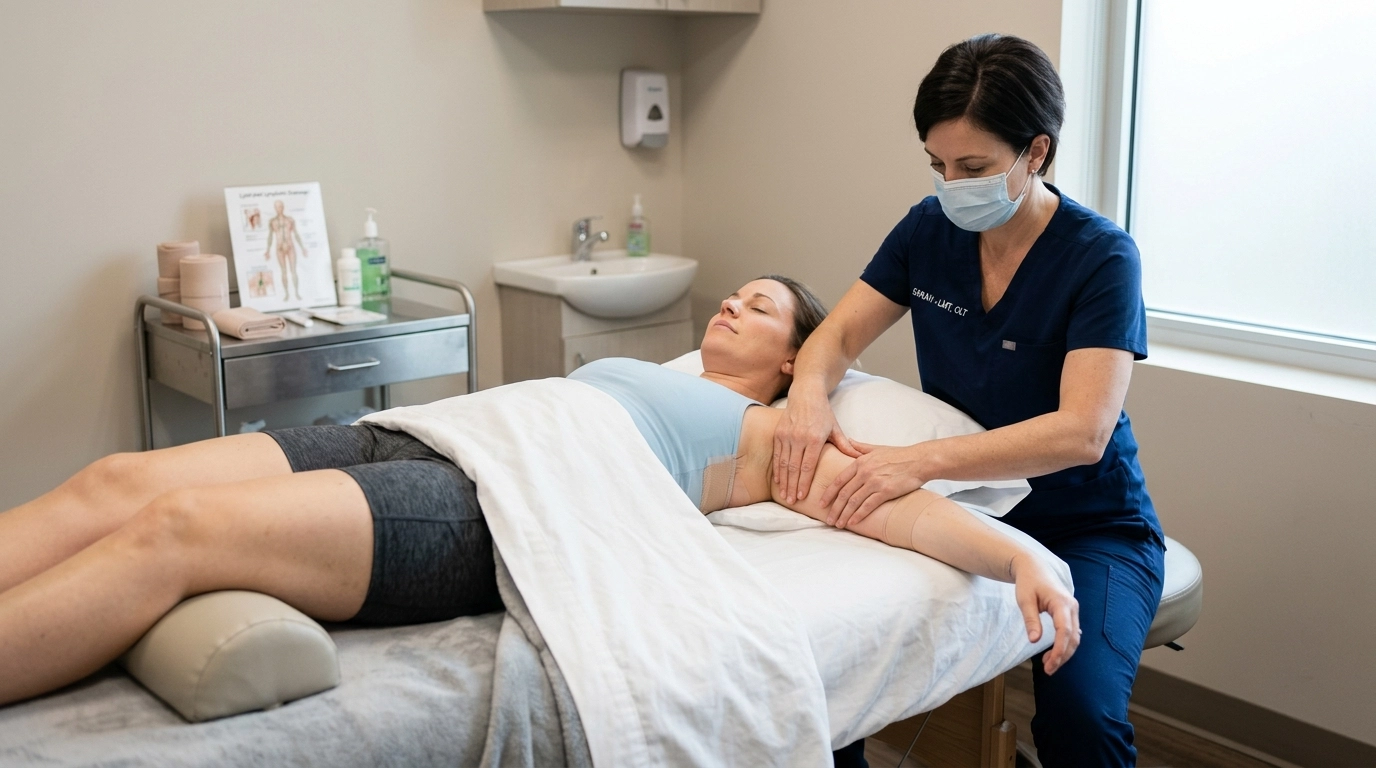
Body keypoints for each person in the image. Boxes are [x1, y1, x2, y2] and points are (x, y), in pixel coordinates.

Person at [0, 275, 1077, 711]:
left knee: (176, 530)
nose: (730, 307)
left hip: (494, 511)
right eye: (733, 296)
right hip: (426, 437)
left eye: (760, 309)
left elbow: (896, 507)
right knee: (118, 481)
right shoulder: (655, 377)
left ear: (798, 360)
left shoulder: (777, 439)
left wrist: (1024, 560)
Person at [773, 34, 1164, 768]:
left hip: (1088, 525)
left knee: (1081, 720)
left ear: (1036, 153)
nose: (952, 184)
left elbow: (1082, 432)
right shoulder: (930, 229)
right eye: (938, 165)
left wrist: (915, 463)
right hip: (967, 510)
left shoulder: (1101, 257)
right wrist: (806, 403)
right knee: (834, 659)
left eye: (974, 167)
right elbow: (834, 337)